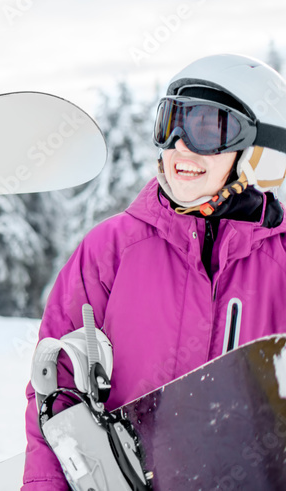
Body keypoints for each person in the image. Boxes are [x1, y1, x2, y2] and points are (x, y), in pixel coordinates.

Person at [21, 53, 286, 490]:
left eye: (206, 128)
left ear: (258, 152)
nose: (181, 144)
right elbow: (52, 389)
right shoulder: (112, 249)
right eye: (171, 123)